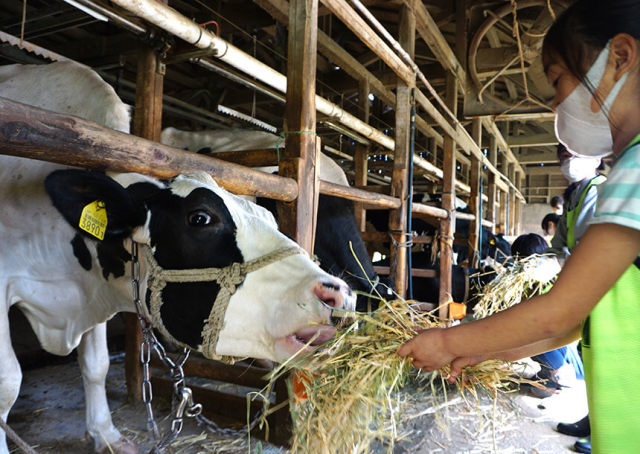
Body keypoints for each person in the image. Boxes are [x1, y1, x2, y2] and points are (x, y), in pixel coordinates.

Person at [398, 2, 640, 453]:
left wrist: (447, 340)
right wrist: (480, 352)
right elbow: (574, 324)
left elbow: (559, 312)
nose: (554, 101)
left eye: (555, 79)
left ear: (621, 58)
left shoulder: (636, 168)